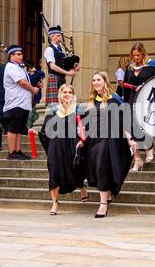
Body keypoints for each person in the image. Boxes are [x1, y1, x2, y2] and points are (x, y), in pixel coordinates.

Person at [85, 71, 134, 218]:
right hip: (94, 139)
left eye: (98, 79)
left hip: (110, 138)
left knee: (101, 166)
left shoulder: (114, 99)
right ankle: (108, 193)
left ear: (105, 82)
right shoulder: (92, 101)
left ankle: (103, 205)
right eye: (94, 80)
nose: (95, 82)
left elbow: (124, 118)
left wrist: (130, 137)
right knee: (98, 168)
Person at [38, 84, 88, 215]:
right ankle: (55, 203)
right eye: (64, 92)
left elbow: (87, 128)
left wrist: (82, 139)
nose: (67, 94)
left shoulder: (79, 110)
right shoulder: (54, 111)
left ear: (73, 94)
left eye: (70, 92)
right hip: (56, 146)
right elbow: (44, 131)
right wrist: (50, 145)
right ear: (60, 94)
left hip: (72, 144)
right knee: (54, 171)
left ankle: (81, 186)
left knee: (76, 169)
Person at [123, 42, 155, 171]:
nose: (136, 58)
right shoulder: (129, 67)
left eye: (138, 55)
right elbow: (125, 85)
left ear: (143, 53)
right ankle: (137, 159)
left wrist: (145, 86)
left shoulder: (152, 66)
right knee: (130, 128)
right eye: (134, 55)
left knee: (145, 124)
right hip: (131, 100)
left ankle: (149, 148)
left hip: (146, 100)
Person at [3, 45, 40, 160]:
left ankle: (17, 150)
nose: (21, 56)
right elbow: (23, 83)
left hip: (22, 103)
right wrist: (33, 89)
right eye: (18, 54)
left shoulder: (19, 67)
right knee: (13, 128)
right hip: (15, 103)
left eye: (21, 54)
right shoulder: (11, 67)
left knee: (19, 128)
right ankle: (12, 151)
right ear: (11, 56)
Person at [44, 25, 79, 108]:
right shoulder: (49, 49)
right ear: (52, 37)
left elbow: (64, 64)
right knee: (54, 106)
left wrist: (74, 67)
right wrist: (68, 73)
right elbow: (52, 66)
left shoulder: (61, 50)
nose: (60, 37)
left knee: (63, 104)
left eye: (60, 35)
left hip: (61, 79)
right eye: (58, 35)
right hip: (54, 79)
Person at [27, 59, 45, 128]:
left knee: (35, 109)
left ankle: (31, 125)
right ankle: (29, 126)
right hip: (28, 94)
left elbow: (43, 75)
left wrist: (36, 71)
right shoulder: (26, 74)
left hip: (36, 93)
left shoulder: (37, 73)